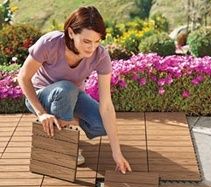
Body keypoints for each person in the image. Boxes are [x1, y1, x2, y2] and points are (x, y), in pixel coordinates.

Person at [17, 6, 132, 174]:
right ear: (71, 33)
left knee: (102, 124)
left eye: (97, 41)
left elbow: (106, 104)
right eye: (86, 41)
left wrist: (117, 152)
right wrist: (41, 113)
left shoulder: (100, 55)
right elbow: (23, 77)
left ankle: (65, 123)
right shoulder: (50, 43)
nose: (92, 48)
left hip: (72, 96)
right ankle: (66, 145)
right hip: (40, 96)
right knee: (66, 89)